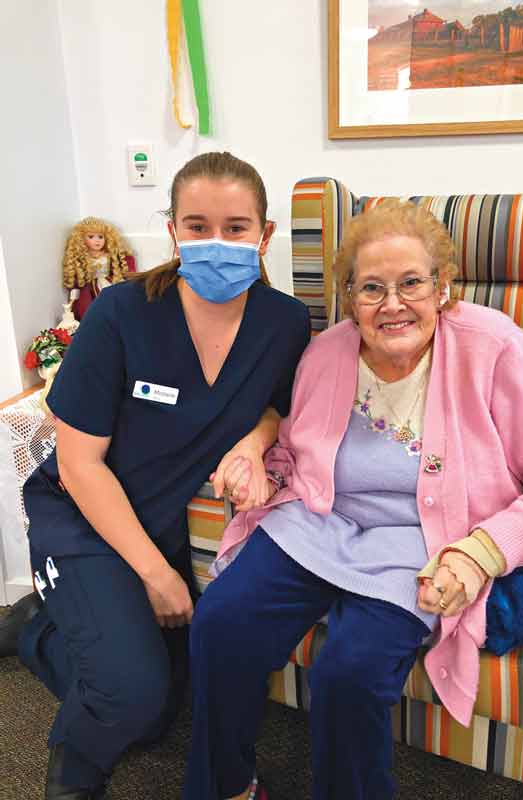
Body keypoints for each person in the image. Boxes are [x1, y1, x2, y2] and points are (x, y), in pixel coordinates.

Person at [185, 199, 523, 800]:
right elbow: (299, 451)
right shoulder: (327, 352)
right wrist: (262, 471)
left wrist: (481, 552)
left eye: (411, 283)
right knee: (220, 623)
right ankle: (227, 786)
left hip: (427, 544)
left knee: (349, 674)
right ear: (349, 298)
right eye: (371, 288)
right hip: (321, 522)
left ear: (442, 286)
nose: (393, 304)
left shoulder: (493, 346)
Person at [0, 151, 310, 800]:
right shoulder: (122, 313)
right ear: (172, 231)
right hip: (83, 518)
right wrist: (156, 574)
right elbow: (79, 465)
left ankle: (42, 627)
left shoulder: (284, 321)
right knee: (130, 696)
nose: (216, 242)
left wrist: (254, 442)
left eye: (236, 227)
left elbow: (277, 405)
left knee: (164, 705)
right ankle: (72, 769)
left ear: (265, 235)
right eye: (198, 226)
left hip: (165, 522)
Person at [62, 216, 136, 320]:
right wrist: (72, 300)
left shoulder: (108, 254)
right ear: (81, 239)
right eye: (91, 237)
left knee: (116, 301)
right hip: (91, 289)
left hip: (108, 283)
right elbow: (76, 285)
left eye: (100, 237)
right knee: (91, 306)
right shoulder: (83, 257)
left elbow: (125, 263)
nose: (97, 241)